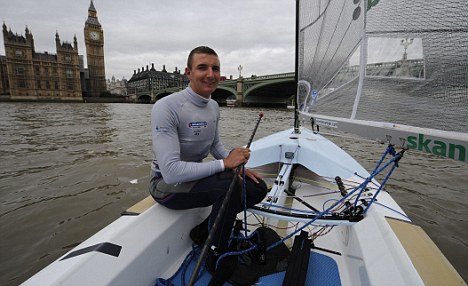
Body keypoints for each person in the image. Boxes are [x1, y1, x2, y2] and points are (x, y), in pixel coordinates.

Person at [149, 46, 268, 271]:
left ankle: (204, 232)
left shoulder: (213, 106)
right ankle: (216, 256)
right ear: (188, 73)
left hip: (193, 179)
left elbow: (215, 145)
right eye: (202, 67)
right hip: (164, 185)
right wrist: (225, 164)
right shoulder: (166, 107)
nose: (210, 74)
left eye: (215, 68)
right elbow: (171, 172)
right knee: (230, 189)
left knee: (257, 187)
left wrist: (237, 166)